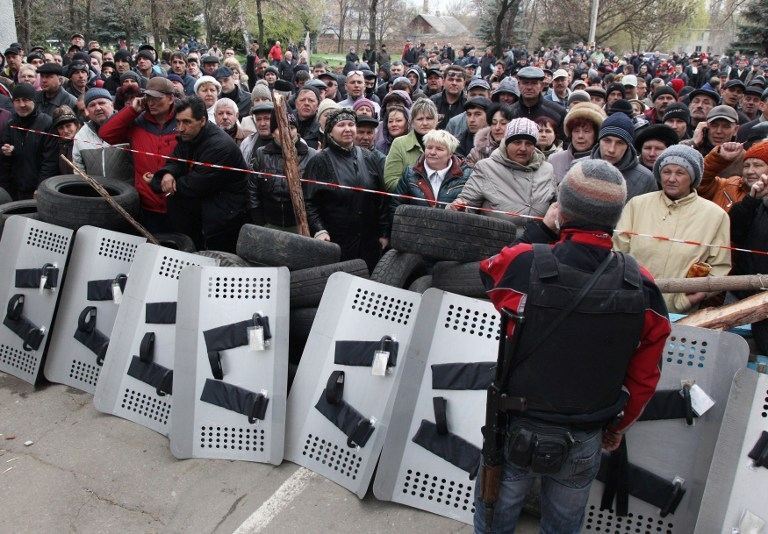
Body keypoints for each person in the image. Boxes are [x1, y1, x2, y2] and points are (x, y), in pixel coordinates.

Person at [474, 159, 670, 533]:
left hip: (517, 422)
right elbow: (645, 376)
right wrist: (619, 426)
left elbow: (489, 273)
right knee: (564, 526)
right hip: (586, 430)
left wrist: (543, 230)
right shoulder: (641, 283)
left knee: (495, 517)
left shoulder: (525, 262)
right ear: (615, 216)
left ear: (562, 209)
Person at [614, 145, 731, 313]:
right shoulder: (637, 204)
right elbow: (618, 253)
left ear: (692, 177)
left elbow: (719, 267)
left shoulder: (715, 216)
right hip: (630, 305)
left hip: (679, 313)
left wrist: (690, 299)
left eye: (680, 173)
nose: (671, 178)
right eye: (666, 172)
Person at [150, 96, 247, 252]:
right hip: (200, 213)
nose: (180, 128)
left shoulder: (220, 146)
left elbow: (195, 185)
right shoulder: (188, 136)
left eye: (187, 122)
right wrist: (167, 174)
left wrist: (160, 183)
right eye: (178, 121)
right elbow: (175, 161)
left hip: (222, 219)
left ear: (202, 121)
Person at [304, 109, 389, 271]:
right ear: (330, 131)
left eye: (351, 124)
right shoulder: (319, 161)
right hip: (335, 241)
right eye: (341, 125)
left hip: (369, 241)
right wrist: (319, 229)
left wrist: (384, 233)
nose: (347, 129)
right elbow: (309, 201)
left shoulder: (368, 157)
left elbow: (382, 197)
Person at [449, 118, 556, 236]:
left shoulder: (547, 169)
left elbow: (557, 207)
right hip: (498, 245)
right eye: (517, 142)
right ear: (506, 143)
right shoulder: (486, 168)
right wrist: (458, 208)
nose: (523, 148)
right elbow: (466, 205)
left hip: (539, 246)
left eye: (529, 143)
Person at [99, 76, 178, 232]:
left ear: (170, 98)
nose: (151, 102)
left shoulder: (183, 121)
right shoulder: (137, 121)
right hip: (146, 204)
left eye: (157, 98)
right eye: (148, 97)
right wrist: (131, 110)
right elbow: (106, 134)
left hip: (178, 204)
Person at [728, 141, 768, 353]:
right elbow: (734, 232)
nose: (751, 171)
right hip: (743, 293)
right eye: (747, 165)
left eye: (758, 165)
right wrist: (752, 200)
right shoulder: (751, 199)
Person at [247, 111, 316, 231]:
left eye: (292, 127)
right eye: (280, 127)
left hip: (300, 225)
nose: (287, 131)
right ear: (273, 132)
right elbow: (253, 190)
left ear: (297, 130)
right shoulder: (262, 154)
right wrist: (259, 221)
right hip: (269, 224)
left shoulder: (311, 155)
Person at [390, 129, 471, 218]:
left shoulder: (466, 175)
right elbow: (395, 206)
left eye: (439, 149)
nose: (432, 152)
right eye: (429, 147)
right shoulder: (410, 173)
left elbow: (473, 210)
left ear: (450, 154)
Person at [0, 83, 58, 200]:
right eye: (17, 100)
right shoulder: (10, 124)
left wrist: (41, 187)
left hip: (38, 189)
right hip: (15, 189)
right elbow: (5, 162)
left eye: (26, 100)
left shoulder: (46, 123)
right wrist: (6, 152)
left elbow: (50, 161)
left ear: (34, 101)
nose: (22, 105)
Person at [590, 112, 657, 201]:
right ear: (599, 141)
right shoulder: (578, 167)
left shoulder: (645, 178)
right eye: (607, 141)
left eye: (620, 143)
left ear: (628, 146)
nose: (611, 150)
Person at [383, 98, 439, 191]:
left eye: (429, 118)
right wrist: (419, 191)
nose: (424, 123)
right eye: (420, 119)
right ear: (412, 121)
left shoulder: (446, 142)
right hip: (408, 202)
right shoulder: (399, 144)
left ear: (436, 120)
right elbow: (390, 181)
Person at [549, 102, 605, 184]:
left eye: (586, 131)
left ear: (596, 135)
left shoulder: (603, 162)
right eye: (576, 131)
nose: (580, 136)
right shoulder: (554, 160)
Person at [72, 88, 115, 172]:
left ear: (112, 105)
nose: (98, 108)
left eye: (101, 103)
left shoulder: (127, 127)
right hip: (93, 185)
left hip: (125, 185)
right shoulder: (81, 135)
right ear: (87, 111)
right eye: (92, 105)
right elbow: (78, 170)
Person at [466, 103, 514, 168]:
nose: (497, 128)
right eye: (494, 123)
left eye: (503, 123)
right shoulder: (477, 152)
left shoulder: (520, 149)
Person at [51, 106, 81, 174]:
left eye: (68, 125)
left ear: (76, 125)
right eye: (61, 128)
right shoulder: (56, 146)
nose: (65, 130)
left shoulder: (83, 143)